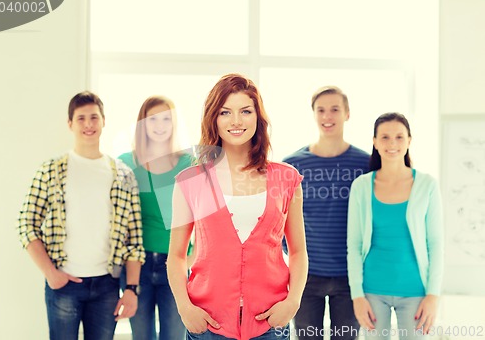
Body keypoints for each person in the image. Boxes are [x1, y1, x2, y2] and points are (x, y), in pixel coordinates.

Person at [167, 73, 308, 340]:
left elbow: (299, 250)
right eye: (225, 112)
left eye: (245, 111)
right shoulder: (190, 181)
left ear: (258, 117)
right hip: (208, 324)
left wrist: (292, 302)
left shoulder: (287, 178)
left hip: (269, 324)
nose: (236, 121)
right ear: (213, 119)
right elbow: (176, 255)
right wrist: (185, 308)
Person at [17, 91, 145, 340]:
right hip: (64, 285)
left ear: (104, 121)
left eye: (94, 118)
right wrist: (50, 273)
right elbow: (26, 223)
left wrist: (131, 289)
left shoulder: (123, 174)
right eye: (81, 118)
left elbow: (134, 238)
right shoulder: (51, 170)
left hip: (107, 285)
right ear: (70, 124)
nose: (88, 124)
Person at [347, 113, 444, 339]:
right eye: (385, 137)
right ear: (375, 142)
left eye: (399, 137)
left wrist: (433, 295)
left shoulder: (427, 185)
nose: (392, 144)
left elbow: (436, 244)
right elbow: (354, 244)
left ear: (409, 140)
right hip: (372, 291)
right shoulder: (361, 186)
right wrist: (357, 295)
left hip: (416, 292)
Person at [283, 86, 369, 339]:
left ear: (347, 114)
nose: (327, 116)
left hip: (350, 277)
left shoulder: (365, 164)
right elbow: (280, 219)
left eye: (335, 109)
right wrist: (290, 254)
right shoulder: (293, 165)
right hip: (306, 278)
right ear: (313, 115)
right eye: (321, 110)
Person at [118, 95, 193, 340]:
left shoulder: (188, 164)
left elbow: (203, 218)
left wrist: (191, 260)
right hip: (135, 267)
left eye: (166, 119)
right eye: (153, 119)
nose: (160, 125)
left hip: (177, 263)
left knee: (174, 335)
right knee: (141, 336)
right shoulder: (125, 164)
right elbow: (119, 220)